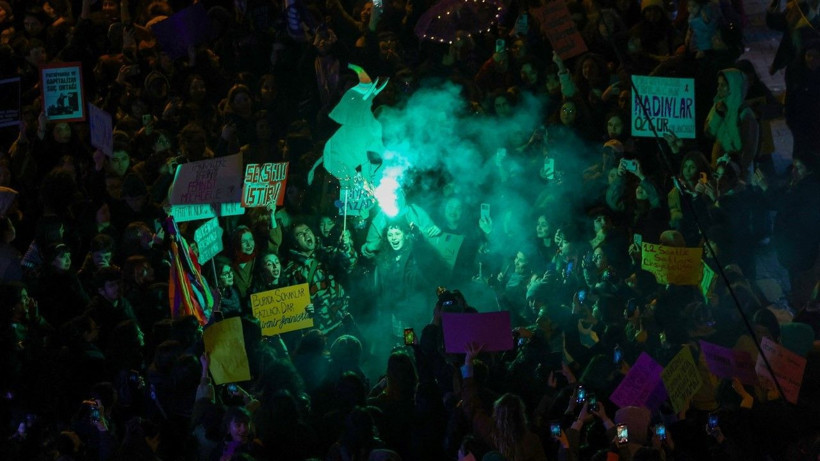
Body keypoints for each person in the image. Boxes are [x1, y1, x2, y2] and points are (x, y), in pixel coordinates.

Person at [283, 222, 352, 336]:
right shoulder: (291, 271)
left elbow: (350, 264)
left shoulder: (329, 253)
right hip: (321, 330)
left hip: (344, 318)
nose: (306, 235)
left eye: (307, 231)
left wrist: (346, 246)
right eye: (300, 234)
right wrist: (303, 307)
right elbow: (291, 305)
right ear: (294, 243)